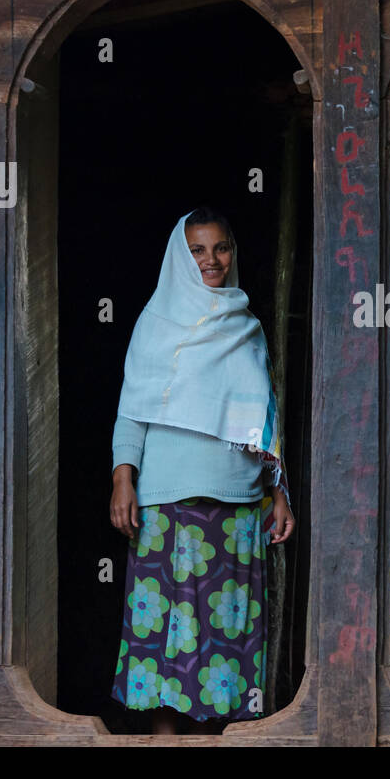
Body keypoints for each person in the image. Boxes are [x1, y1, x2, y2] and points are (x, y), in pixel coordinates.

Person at [108, 207, 296, 735]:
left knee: (227, 632)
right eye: (197, 249)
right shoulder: (157, 322)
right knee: (169, 626)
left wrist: (278, 490)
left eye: (220, 247)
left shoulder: (247, 326)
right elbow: (133, 406)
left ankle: (218, 739)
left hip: (239, 503)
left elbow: (265, 419)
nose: (211, 260)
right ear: (179, 256)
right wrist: (123, 476)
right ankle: (165, 740)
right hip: (168, 500)